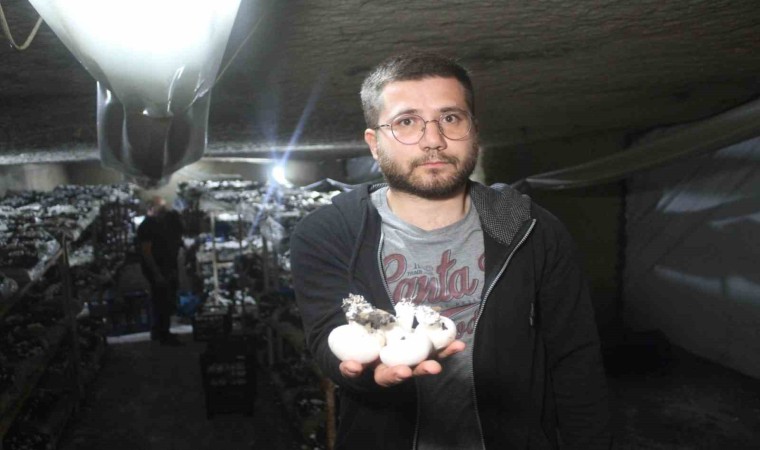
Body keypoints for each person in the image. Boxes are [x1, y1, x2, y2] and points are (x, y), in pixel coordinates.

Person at [290, 51, 612, 449]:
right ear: (374, 143)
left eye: (450, 118)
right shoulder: (329, 233)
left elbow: (576, 360)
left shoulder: (530, 230)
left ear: (474, 130)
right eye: (407, 122)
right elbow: (327, 336)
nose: (433, 140)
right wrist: (364, 373)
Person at [136, 196, 183, 345]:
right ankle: (162, 334)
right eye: (160, 207)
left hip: (163, 268)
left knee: (163, 300)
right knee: (161, 300)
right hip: (157, 269)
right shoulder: (146, 226)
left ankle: (160, 332)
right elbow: (146, 252)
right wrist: (156, 273)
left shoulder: (157, 224)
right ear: (151, 208)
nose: (163, 210)